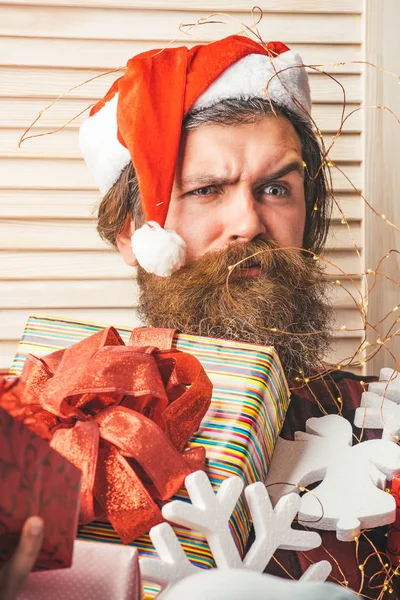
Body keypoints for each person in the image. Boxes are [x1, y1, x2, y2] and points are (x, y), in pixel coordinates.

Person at [1, 34, 394, 598]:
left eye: (276, 188)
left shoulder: (382, 425)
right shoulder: (37, 413)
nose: (250, 224)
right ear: (132, 236)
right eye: (208, 189)